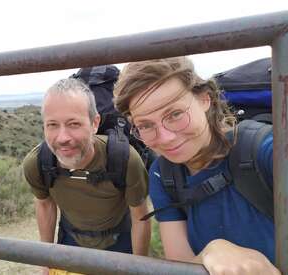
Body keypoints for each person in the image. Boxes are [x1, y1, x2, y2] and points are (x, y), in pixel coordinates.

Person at [113, 57, 281, 275]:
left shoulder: (266, 151)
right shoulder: (163, 173)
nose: (165, 138)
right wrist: (212, 251)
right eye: (145, 125)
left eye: (175, 114)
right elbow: (180, 265)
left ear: (204, 99)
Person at [23, 78, 151, 274]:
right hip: (70, 241)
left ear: (94, 123)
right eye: (52, 125)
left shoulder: (124, 160)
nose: (63, 137)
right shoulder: (38, 163)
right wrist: (45, 260)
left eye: (74, 124)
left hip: (119, 242)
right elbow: (45, 204)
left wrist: (139, 267)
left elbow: (140, 216)